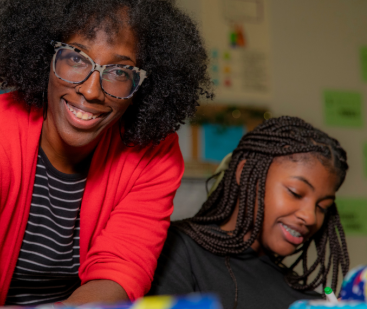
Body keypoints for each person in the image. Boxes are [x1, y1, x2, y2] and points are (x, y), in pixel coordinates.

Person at [0, 0, 211, 307]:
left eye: (119, 72)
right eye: (75, 58)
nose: (91, 91)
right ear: (45, 57)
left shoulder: (154, 155)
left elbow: (119, 272)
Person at [149, 116, 351, 309]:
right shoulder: (176, 250)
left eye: (322, 207)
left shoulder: (305, 299)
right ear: (246, 175)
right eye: (295, 193)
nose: (310, 217)